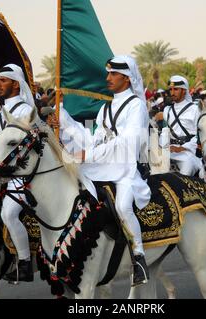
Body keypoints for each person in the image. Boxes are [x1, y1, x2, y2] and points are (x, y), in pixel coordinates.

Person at [78, 55, 151, 287]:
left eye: (113, 74)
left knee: (122, 206)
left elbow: (128, 142)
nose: (108, 78)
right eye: (108, 73)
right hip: (104, 164)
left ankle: (139, 257)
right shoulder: (106, 106)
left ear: (127, 79)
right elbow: (96, 138)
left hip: (127, 167)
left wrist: (89, 155)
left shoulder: (137, 106)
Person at [0, 64, 37, 282]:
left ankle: (24, 263)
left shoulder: (25, 110)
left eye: (3, 81)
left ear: (16, 83)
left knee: (8, 213)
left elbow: (29, 145)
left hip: (20, 175)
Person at [159, 75, 203, 177]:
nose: (172, 92)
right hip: (169, 149)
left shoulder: (195, 109)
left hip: (188, 152)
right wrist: (162, 147)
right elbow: (165, 132)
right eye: (171, 89)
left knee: (186, 170)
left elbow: (199, 135)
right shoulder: (167, 110)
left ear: (184, 91)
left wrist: (183, 148)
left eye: (176, 89)